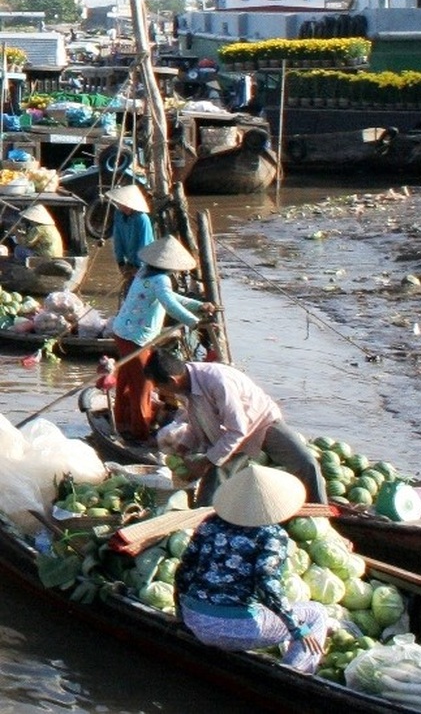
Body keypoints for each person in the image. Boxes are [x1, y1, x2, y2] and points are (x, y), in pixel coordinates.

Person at [175, 464, 327, 674]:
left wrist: (181, 613)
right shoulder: (271, 535)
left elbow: (184, 570)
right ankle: (296, 673)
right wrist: (297, 628)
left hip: (194, 618)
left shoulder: (210, 523)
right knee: (316, 613)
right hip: (234, 628)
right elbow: (266, 583)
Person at [143, 347, 328, 504]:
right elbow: (197, 420)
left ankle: (320, 512)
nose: (160, 392)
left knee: (306, 463)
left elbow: (238, 431)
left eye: (159, 387)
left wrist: (205, 461)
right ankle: (206, 523)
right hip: (227, 434)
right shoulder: (184, 386)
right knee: (210, 493)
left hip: (260, 422)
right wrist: (185, 445)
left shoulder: (217, 382)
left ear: (172, 380)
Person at [112, 235, 215, 441]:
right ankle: (139, 433)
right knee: (143, 384)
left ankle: (122, 420)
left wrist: (197, 306)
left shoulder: (144, 272)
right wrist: (193, 322)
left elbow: (172, 298)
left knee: (126, 377)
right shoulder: (161, 279)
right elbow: (169, 304)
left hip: (124, 332)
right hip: (135, 337)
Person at [105, 184, 154, 292]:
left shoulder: (142, 219)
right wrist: (120, 262)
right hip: (130, 262)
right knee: (127, 291)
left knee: (141, 292)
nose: (119, 204)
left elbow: (144, 245)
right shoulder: (119, 215)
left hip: (144, 263)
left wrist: (139, 267)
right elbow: (117, 239)